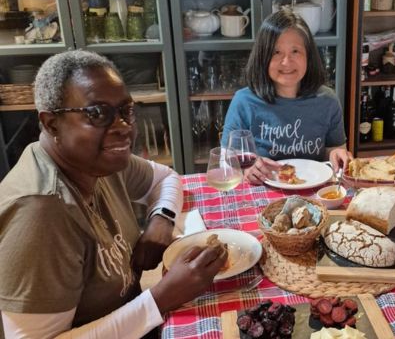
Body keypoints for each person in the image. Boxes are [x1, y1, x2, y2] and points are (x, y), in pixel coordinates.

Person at [0, 50, 228, 338]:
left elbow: (166, 178)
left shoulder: (93, 160)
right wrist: (161, 298)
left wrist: (161, 220)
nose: (123, 127)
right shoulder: (40, 213)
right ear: (51, 123)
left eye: (126, 111)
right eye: (97, 114)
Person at [221, 8, 352, 184]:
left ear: (309, 56)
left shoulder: (328, 101)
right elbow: (226, 160)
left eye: (295, 51)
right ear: (263, 57)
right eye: (276, 52)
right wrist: (246, 168)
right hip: (262, 194)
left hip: (315, 193)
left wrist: (337, 154)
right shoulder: (243, 102)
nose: (286, 62)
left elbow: (334, 150)